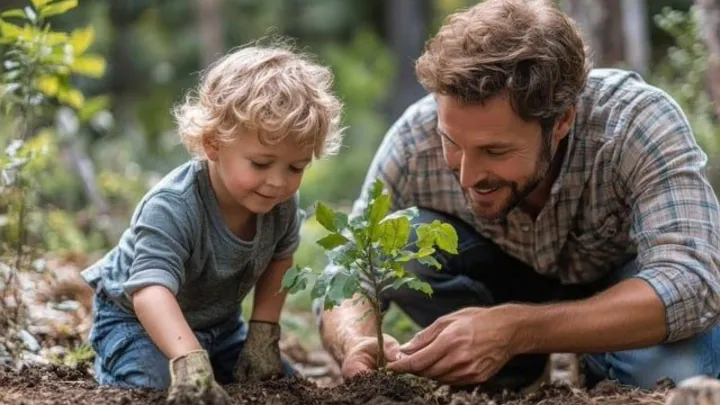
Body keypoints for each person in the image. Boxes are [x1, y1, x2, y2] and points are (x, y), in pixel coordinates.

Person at [315, 0, 720, 393]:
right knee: (393, 235)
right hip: (500, 282)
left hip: (621, 293)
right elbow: (348, 268)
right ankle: (511, 368)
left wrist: (519, 328)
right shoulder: (412, 138)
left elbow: (691, 282)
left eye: (495, 151)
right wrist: (355, 341)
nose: (468, 175)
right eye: (451, 142)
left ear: (561, 121)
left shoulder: (636, 122)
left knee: (674, 373)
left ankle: (597, 358)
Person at [81, 40, 344, 403]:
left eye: (296, 167)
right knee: (153, 386)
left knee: (282, 387)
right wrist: (189, 361)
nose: (278, 181)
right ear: (213, 143)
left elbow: (280, 262)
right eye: (261, 163)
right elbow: (149, 293)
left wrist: (263, 335)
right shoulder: (173, 205)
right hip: (135, 322)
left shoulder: (280, 204)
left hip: (219, 328)